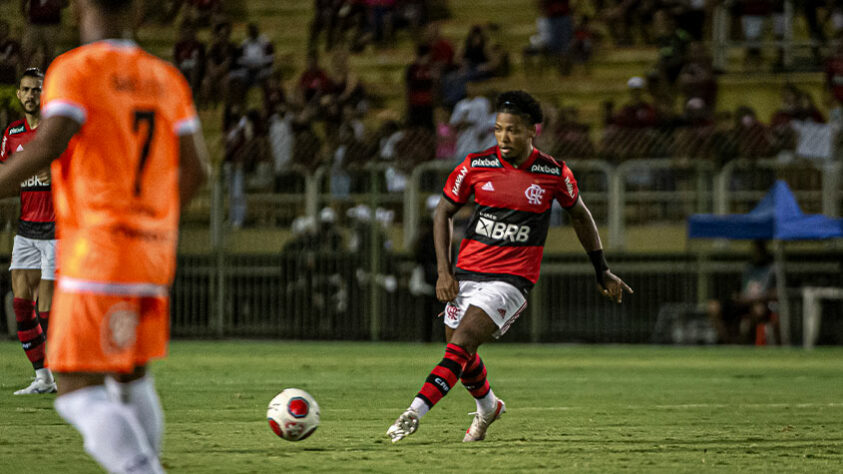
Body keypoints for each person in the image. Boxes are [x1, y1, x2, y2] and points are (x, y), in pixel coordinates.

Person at [0, 0, 210, 471]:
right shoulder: (165, 77)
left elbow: (50, 143)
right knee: (131, 376)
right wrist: (152, 223)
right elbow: (197, 170)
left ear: (76, 10)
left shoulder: (75, 69)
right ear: (138, 11)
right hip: (151, 255)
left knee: (74, 387)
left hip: (97, 251)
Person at [386, 90, 633, 443]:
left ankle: (413, 412)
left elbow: (581, 215)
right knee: (460, 353)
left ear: (533, 131)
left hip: (511, 281)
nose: (504, 137)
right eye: (499, 129)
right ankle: (488, 407)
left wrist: (602, 268)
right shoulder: (475, 166)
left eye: (513, 130)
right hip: (467, 273)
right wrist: (444, 271)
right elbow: (443, 211)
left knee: (463, 342)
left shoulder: (553, 172)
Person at [0, 67, 57, 395]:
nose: (31, 95)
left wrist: (58, 175)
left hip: (57, 228)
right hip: (26, 229)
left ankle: (77, 377)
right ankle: (44, 379)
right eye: (26, 90)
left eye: (37, 90)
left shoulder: (55, 133)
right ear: (19, 95)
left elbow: (80, 170)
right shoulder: (12, 134)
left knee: (48, 308)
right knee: (21, 305)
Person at [707, 240, 779, 344]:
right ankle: (728, 341)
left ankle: (746, 341)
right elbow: (736, 291)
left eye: (759, 249)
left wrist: (755, 298)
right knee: (713, 307)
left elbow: (775, 293)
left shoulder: (772, 269)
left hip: (759, 303)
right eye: (754, 249)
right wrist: (739, 297)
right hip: (742, 302)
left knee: (758, 310)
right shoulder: (747, 268)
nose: (756, 252)